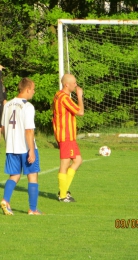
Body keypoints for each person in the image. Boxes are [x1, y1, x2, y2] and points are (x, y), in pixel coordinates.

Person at [0, 78, 42, 215]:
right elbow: (29, 130)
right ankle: (33, 209)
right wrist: (31, 150)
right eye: (33, 89)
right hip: (25, 147)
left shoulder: (7, 105)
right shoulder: (28, 106)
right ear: (28, 89)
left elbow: (3, 127)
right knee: (32, 176)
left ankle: (5, 200)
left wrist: (8, 142)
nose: (34, 92)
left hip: (11, 147)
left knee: (14, 176)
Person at [52, 73, 84, 202]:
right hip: (65, 135)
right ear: (66, 85)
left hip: (68, 135)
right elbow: (80, 112)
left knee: (78, 160)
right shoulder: (64, 98)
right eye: (74, 83)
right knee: (65, 164)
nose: (76, 85)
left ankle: (64, 190)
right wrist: (79, 96)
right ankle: (63, 195)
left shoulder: (58, 95)